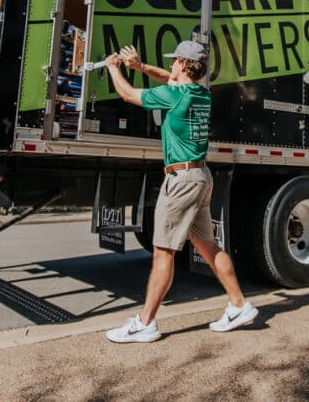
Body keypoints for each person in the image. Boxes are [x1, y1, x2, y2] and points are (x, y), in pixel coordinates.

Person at [104, 40, 257, 343]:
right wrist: (141, 67)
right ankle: (240, 305)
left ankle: (145, 323)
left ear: (185, 65)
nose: (172, 64)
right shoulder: (200, 93)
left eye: (175, 60)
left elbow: (126, 94)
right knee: (208, 247)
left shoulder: (175, 95)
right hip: (201, 176)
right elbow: (169, 78)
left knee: (163, 252)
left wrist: (113, 68)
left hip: (181, 181)